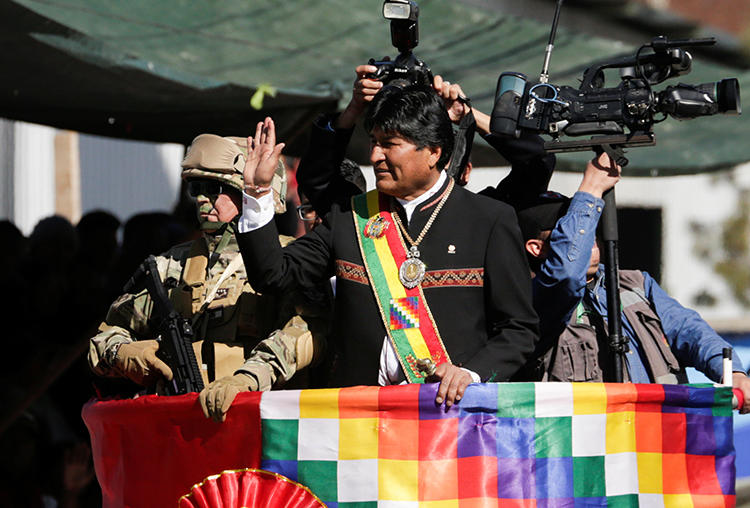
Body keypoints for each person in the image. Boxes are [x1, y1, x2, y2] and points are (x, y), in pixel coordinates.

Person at [237, 85, 539, 407]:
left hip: (450, 417)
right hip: (359, 416)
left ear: (433, 152)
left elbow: (519, 329)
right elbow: (273, 274)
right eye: (374, 143)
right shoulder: (350, 216)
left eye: (389, 145)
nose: (374, 156)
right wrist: (257, 193)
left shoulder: (489, 220)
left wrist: (472, 374)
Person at [88, 134, 329, 421]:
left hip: (260, 419)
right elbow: (104, 338)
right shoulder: (171, 265)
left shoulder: (290, 259)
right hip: (181, 419)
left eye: (215, 189)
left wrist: (248, 378)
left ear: (246, 191)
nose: (202, 198)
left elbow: (308, 333)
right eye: (196, 188)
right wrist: (123, 353)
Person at [516, 152, 750, 412]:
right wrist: (591, 188)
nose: (588, 241)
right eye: (566, 235)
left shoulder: (637, 282)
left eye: (587, 229)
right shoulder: (531, 299)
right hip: (587, 447)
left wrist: (732, 372)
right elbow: (566, 275)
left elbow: (689, 330)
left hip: (654, 440)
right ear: (536, 248)